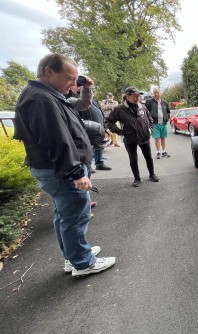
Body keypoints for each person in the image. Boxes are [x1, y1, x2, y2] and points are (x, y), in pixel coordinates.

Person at [13, 53, 115, 276]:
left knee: (64, 215)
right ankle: (82, 262)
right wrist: (76, 173)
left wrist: (83, 87)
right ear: (49, 72)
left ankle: (74, 255)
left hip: (57, 170)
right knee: (76, 216)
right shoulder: (41, 99)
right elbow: (57, 140)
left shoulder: (45, 95)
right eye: (69, 78)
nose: (72, 83)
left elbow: (75, 111)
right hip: (62, 171)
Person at [106, 87, 160, 187]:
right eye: (135, 96)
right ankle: (137, 178)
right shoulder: (119, 109)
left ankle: (152, 174)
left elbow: (150, 119)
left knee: (149, 158)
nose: (138, 98)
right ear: (128, 96)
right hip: (130, 139)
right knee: (133, 159)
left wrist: (150, 130)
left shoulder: (142, 106)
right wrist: (119, 131)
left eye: (139, 95)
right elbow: (109, 121)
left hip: (144, 137)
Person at [67, 84, 112, 172]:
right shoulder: (76, 98)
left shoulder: (94, 98)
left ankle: (99, 163)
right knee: (88, 146)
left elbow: (100, 110)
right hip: (88, 126)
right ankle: (88, 165)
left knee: (99, 144)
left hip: (99, 125)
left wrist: (104, 124)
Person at [145, 87, 171, 159]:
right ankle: (158, 152)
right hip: (154, 123)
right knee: (157, 138)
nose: (156, 94)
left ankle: (164, 151)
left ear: (160, 93)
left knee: (163, 138)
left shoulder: (164, 102)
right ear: (153, 93)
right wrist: (148, 121)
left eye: (158, 92)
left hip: (163, 123)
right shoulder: (149, 102)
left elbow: (168, 112)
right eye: (155, 93)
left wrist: (167, 118)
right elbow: (145, 111)